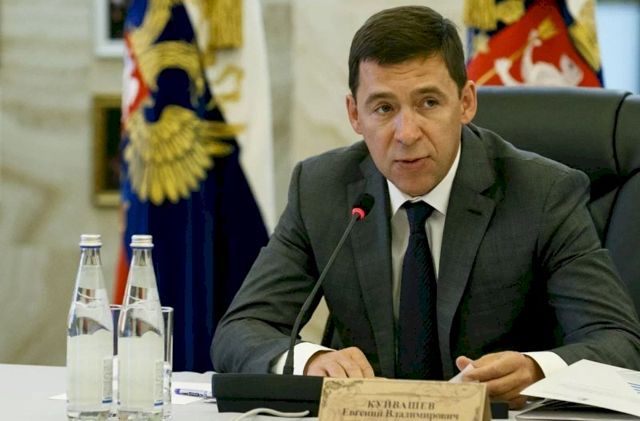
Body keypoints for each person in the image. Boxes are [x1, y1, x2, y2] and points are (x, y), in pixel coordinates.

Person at [211, 5, 640, 408]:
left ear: (466, 102)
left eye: (428, 103)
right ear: (354, 114)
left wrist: (535, 370)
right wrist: (310, 361)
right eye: (383, 108)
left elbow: (619, 342)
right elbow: (240, 330)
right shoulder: (322, 189)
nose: (406, 133)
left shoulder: (543, 193)